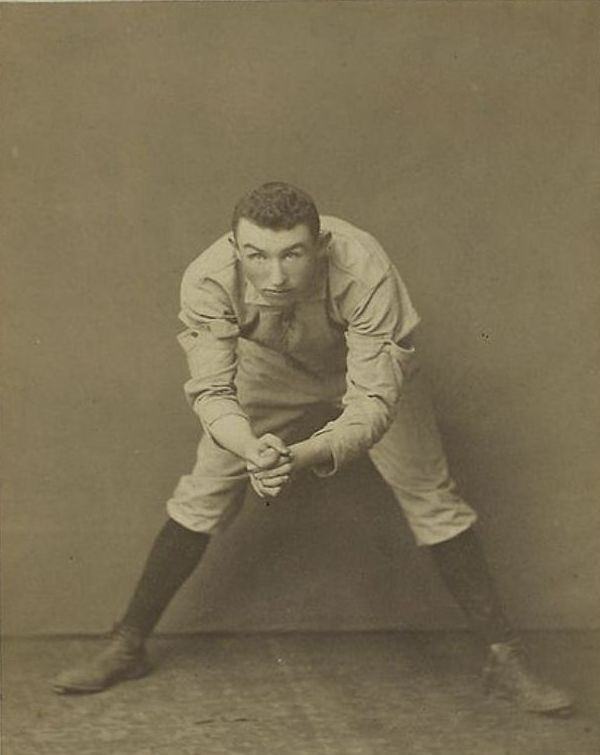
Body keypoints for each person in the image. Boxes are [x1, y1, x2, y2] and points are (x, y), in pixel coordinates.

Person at [52, 182, 572, 716]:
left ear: (319, 245)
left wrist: (297, 456)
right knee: (202, 493)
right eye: (256, 255)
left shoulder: (364, 267)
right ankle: (128, 642)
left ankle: (504, 659)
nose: (275, 276)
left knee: (432, 498)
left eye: (292, 254)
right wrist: (252, 448)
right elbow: (211, 392)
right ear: (235, 250)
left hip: (370, 372)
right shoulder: (207, 277)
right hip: (267, 372)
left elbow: (371, 405)